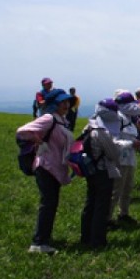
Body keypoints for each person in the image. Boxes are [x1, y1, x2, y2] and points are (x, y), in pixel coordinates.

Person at [17, 88, 74, 253]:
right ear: (54, 104)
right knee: (48, 204)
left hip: (54, 167)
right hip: (46, 166)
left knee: (50, 204)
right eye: (62, 102)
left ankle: (43, 238)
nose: (66, 104)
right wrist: (37, 140)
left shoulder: (61, 120)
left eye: (67, 101)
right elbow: (22, 132)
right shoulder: (49, 119)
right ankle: (39, 243)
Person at [80, 99, 121, 249]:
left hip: (90, 170)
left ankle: (85, 236)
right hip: (103, 171)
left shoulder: (88, 127)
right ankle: (98, 240)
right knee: (101, 206)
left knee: (90, 203)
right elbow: (113, 154)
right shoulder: (102, 132)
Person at [108, 91, 140, 227]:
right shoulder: (117, 118)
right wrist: (131, 144)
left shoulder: (128, 119)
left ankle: (124, 213)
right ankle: (107, 218)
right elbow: (113, 140)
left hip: (129, 158)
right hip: (119, 159)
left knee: (127, 188)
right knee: (116, 190)